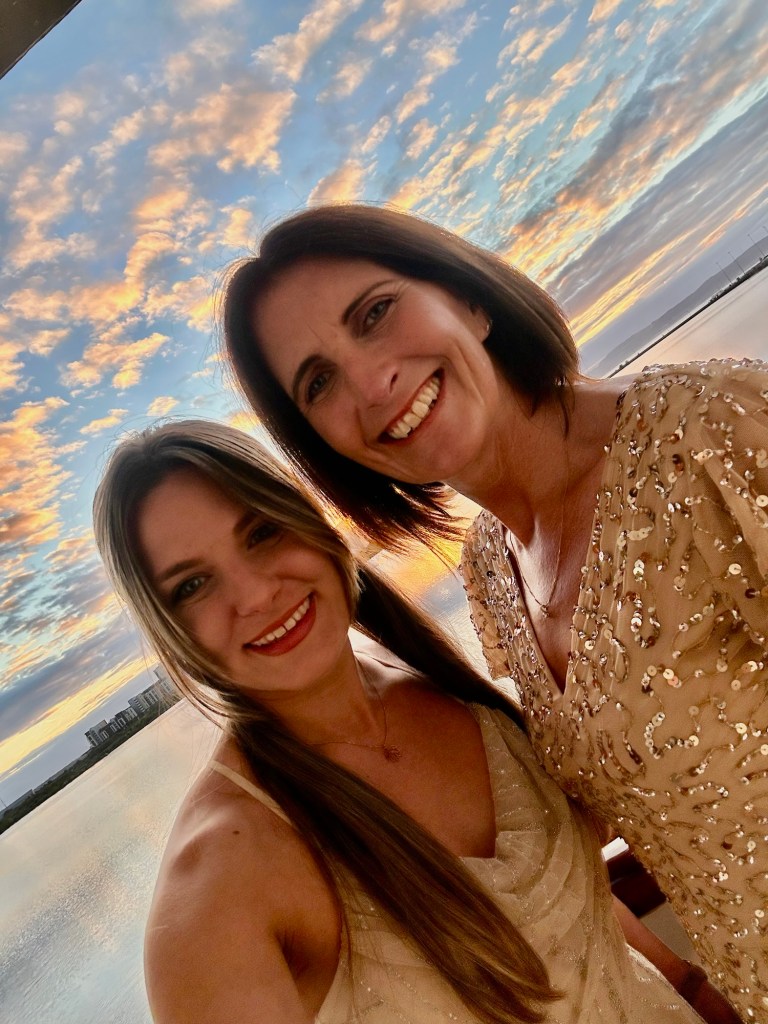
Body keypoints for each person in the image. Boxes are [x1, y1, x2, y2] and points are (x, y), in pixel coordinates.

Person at [221, 203, 768, 1021]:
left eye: (375, 313)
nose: (370, 383)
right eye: (319, 382)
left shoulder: (711, 431)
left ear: (469, 300)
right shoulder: (490, 572)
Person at [92, 420, 726, 1024]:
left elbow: (567, 916)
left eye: (261, 532)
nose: (254, 595)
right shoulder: (215, 896)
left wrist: (690, 984)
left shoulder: (436, 685)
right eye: (193, 586)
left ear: (309, 521)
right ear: (171, 633)